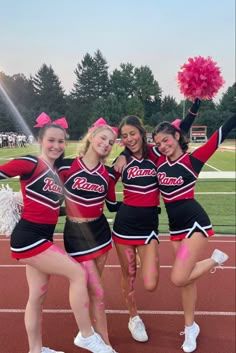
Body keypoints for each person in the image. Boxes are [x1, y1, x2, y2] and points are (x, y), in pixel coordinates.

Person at [0, 113, 116, 353]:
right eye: (51, 140)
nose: (56, 146)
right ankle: (86, 335)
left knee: (37, 298)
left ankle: (35, 350)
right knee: (77, 273)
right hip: (29, 239)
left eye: (61, 141)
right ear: (41, 140)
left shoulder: (57, 171)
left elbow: (52, 208)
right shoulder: (30, 163)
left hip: (43, 237)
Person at [111, 99, 201, 342]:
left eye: (132, 133)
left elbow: (178, 131)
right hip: (124, 227)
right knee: (128, 275)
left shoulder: (156, 154)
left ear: (141, 133)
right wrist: (112, 204)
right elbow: (106, 185)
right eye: (124, 136)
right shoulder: (122, 160)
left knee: (150, 282)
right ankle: (133, 317)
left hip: (149, 227)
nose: (129, 139)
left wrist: (194, 107)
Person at [152, 113, 235, 353]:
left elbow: (221, 133)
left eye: (166, 140)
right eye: (158, 143)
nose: (163, 146)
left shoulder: (194, 159)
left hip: (195, 224)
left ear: (177, 136)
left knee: (179, 277)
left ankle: (215, 259)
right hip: (175, 228)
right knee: (186, 282)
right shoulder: (159, 162)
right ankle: (190, 327)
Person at [58, 118, 120, 353]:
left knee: (94, 291)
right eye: (102, 138)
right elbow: (52, 197)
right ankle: (104, 343)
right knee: (98, 291)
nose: (106, 144)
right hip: (76, 234)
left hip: (101, 234)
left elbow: (113, 206)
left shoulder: (107, 176)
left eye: (111, 142)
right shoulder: (65, 167)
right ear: (91, 137)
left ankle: (89, 332)